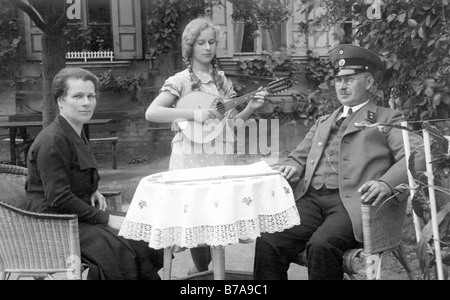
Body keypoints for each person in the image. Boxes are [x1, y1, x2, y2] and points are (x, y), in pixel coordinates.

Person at [253, 44, 426, 280]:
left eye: (350, 79)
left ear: (369, 83)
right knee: (269, 239)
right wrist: (291, 166)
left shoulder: (388, 119)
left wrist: (386, 183)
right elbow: (298, 156)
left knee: (322, 245)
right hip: (310, 199)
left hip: (353, 204)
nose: (342, 86)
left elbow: (419, 153)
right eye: (338, 81)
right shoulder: (324, 121)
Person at [145, 17, 267, 274]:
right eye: (201, 42)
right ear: (190, 46)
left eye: (211, 42)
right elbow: (152, 112)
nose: (208, 47)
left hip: (219, 152)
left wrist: (250, 108)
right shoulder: (179, 80)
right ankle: (203, 272)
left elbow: (231, 124)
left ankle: (211, 273)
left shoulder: (222, 81)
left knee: (215, 215)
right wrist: (192, 114)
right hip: (189, 154)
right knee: (194, 214)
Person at [25, 67, 164, 280]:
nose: (86, 102)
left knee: (142, 229)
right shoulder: (53, 140)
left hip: (75, 214)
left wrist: (93, 189)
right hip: (53, 222)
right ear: (60, 101)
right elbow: (58, 196)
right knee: (120, 245)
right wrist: (106, 219)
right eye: (78, 96)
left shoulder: (76, 131)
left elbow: (73, 172)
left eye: (91, 96)